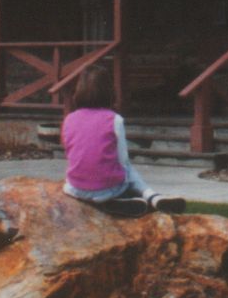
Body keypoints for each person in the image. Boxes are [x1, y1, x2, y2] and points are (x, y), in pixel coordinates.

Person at [60, 65, 185, 216]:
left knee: (113, 172)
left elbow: (70, 151)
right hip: (108, 188)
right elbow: (122, 159)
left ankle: (109, 202)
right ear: (108, 90)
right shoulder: (114, 119)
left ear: (79, 89)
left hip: (76, 188)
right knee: (128, 168)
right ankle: (152, 196)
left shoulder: (69, 119)